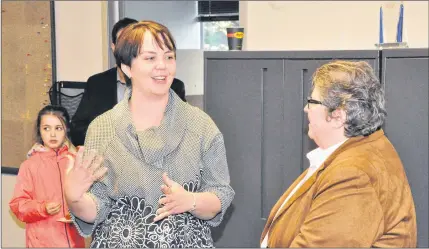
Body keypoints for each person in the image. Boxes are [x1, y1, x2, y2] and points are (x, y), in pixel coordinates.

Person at [64, 20, 235, 248]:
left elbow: (220, 193)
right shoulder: (102, 128)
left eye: (169, 57)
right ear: (127, 67)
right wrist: (74, 197)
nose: (162, 66)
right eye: (150, 58)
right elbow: (97, 207)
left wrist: (191, 201)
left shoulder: (200, 125)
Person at [260, 60, 417, 247]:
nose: (305, 109)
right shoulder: (364, 148)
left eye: (311, 102)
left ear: (337, 116)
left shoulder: (353, 175)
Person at [71, 17, 187, 146]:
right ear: (114, 47)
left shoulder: (172, 86)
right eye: (123, 44)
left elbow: (181, 131)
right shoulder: (97, 84)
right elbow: (77, 130)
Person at [9, 105, 85, 248]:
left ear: (66, 130)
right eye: (46, 128)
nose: (52, 134)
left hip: (75, 242)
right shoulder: (29, 165)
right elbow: (17, 204)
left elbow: (89, 198)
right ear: (39, 130)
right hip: (42, 242)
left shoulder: (75, 161)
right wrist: (42, 208)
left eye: (58, 128)